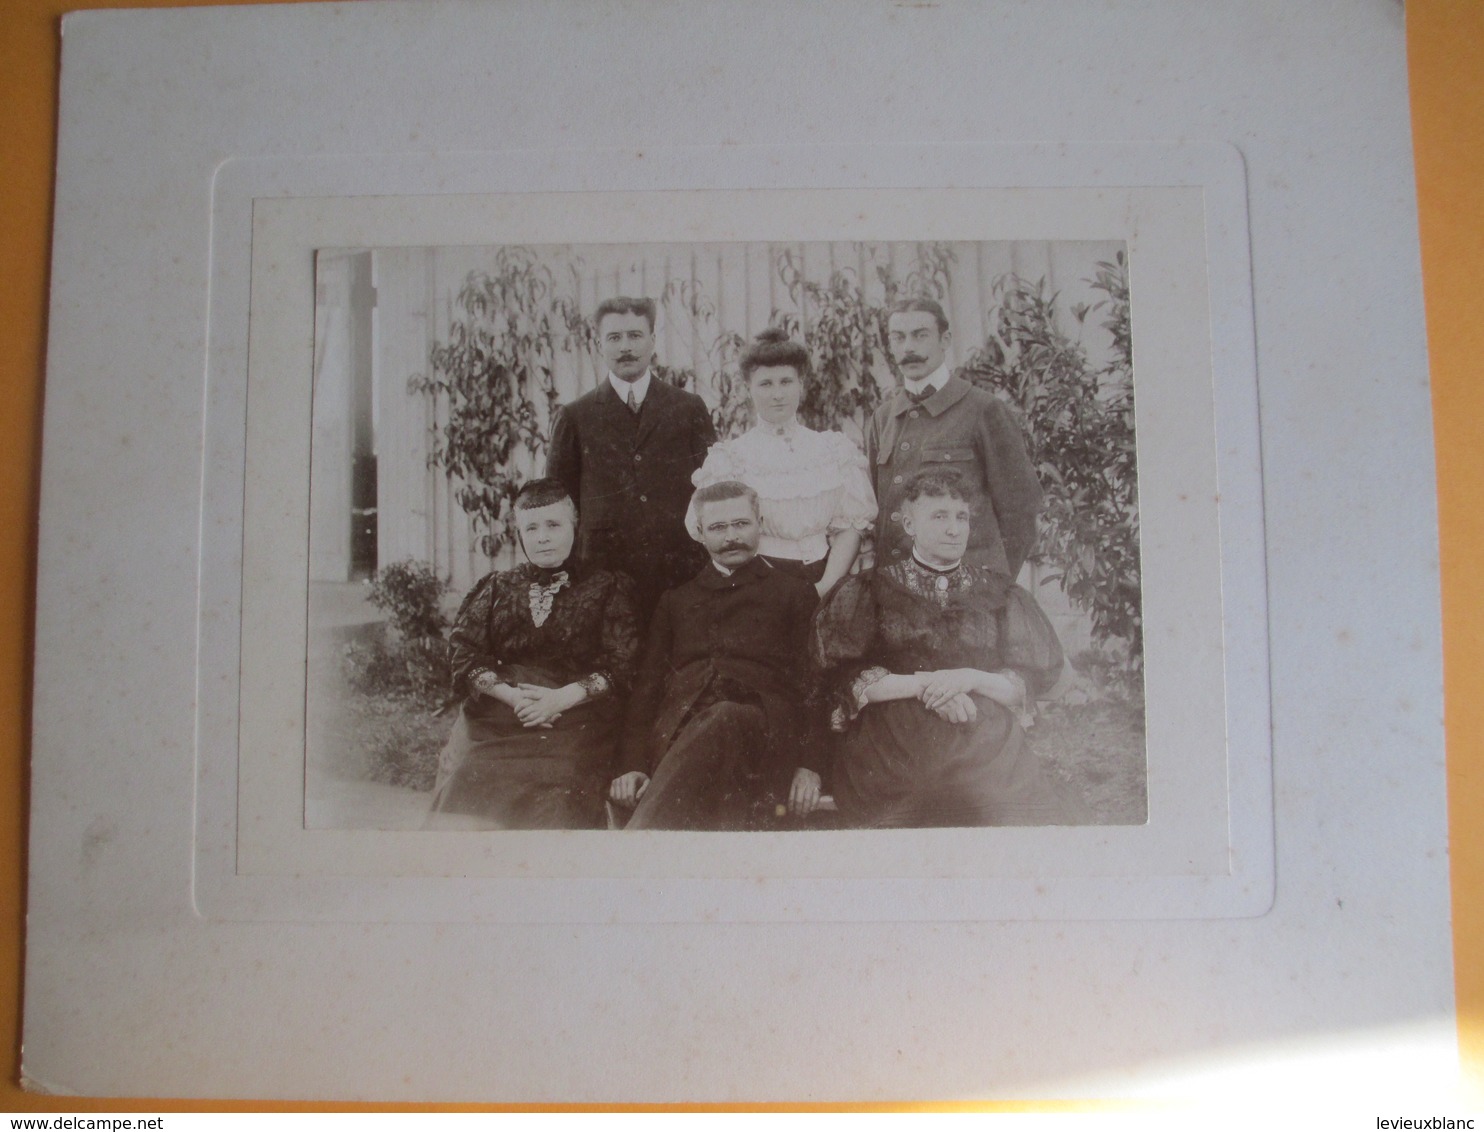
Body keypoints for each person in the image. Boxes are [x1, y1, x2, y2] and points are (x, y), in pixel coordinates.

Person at [811, 468, 1085, 828]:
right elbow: (846, 678)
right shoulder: (869, 591)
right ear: (909, 525)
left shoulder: (999, 594)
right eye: (939, 517)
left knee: (998, 802)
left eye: (961, 517)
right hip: (895, 734)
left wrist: (967, 677)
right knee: (917, 791)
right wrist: (931, 685)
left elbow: (1022, 683)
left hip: (981, 730)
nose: (954, 529)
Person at [427, 478, 641, 830]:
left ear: (575, 526)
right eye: (532, 527)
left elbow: (622, 663)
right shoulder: (498, 586)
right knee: (470, 772)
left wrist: (560, 699)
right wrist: (512, 697)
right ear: (519, 533)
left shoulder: (608, 587)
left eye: (554, 525)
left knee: (560, 779)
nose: (543, 537)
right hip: (502, 712)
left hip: (575, 715)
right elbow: (465, 653)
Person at [609, 481, 824, 830]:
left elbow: (815, 685)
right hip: (682, 731)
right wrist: (632, 764)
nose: (731, 537)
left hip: (764, 730)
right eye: (718, 527)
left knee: (725, 716)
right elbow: (646, 689)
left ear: (760, 523)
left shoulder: (793, 593)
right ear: (699, 532)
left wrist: (811, 766)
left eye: (741, 524)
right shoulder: (676, 601)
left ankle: (638, 843)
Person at [546, 295, 717, 624]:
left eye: (635, 335)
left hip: (679, 576)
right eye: (614, 337)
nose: (626, 346)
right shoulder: (575, 416)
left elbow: (714, 492)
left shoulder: (688, 408)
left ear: (653, 341)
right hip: (603, 579)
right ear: (599, 344)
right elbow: (558, 506)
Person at [688, 327, 875, 595]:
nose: (777, 394)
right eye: (765, 384)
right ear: (747, 389)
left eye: (786, 382)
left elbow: (852, 526)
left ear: (802, 383)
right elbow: (713, 533)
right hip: (756, 585)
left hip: (826, 579)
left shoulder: (832, 450)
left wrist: (824, 587)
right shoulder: (730, 458)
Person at [867, 298, 1043, 578]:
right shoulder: (883, 417)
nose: (908, 348)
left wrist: (992, 582)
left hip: (966, 594)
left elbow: (1020, 511)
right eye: (898, 338)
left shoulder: (984, 409)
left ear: (945, 339)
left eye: (920, 335)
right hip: (897, 591)